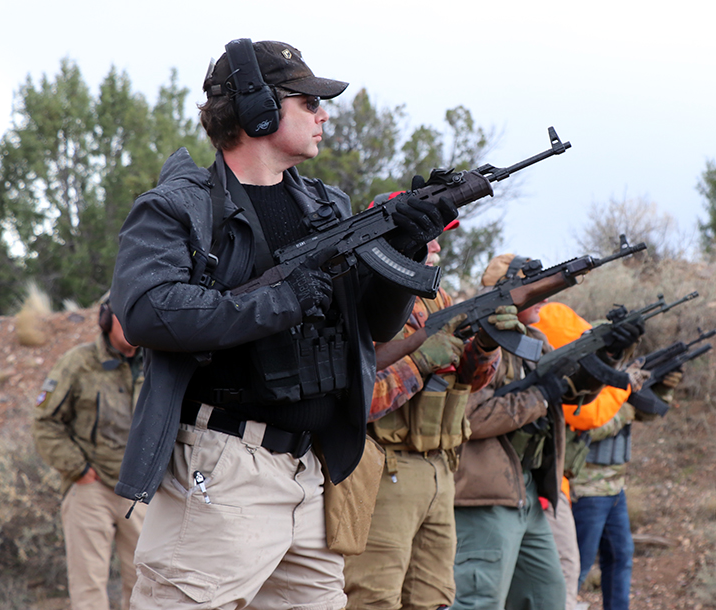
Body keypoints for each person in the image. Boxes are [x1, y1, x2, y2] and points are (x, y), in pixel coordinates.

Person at [109, 39, 456, 610]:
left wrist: (407, 248)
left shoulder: (327, 206)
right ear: (258, 111)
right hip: (223, 468)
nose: (323, 116)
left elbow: (372, 326)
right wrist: (280, 300)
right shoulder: (179, 206)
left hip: (310, 471)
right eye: (307, 103)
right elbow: (146, 311)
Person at [450, 254, 643, 610]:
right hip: (484, 495)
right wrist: (540, 397)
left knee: (547, 597)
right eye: (535, 291)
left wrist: (609, 353)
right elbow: (470, 418)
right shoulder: (475, 344)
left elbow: (570, 389)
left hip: (528, 489)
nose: (546, 299)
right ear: (505, 296)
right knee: (478, 600)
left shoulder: (534, 338)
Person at [343, 232, 522, 610]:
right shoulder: (362, 297)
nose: (437, 248)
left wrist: (486, 346)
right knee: (372, 597)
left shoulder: (438, 299)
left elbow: (468, 381)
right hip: (383, 470)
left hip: (440, 470)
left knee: (433, 599)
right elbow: (358, 398)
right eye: (428, 239)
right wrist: (419, 362)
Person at [536, 303, 682, 610]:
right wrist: (625, 402)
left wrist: (662, 389)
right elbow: (591, 422)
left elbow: (645, 413)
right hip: (586, 485)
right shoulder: (582, 374)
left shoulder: (615, 374)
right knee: (576, 564)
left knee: (620, 558)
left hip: (614, 485)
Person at [32, 297, 146, 610]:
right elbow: (45, 423)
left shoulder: (156, 365)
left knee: (145, 585)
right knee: (88, 588)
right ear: (106, 320)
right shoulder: (77, 362)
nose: (132, 324)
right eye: (124, 316)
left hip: (139, 491)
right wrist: (79, 470)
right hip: (90, 487)